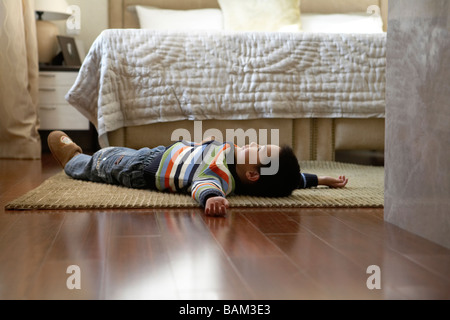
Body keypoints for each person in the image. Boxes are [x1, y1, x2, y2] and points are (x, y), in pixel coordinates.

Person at [48, 131, 348, 217]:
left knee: (104, 162)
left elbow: (203, 185)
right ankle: (86, 157)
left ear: (253, 174)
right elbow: (290, 179)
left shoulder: (220, 176)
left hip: (143, 170)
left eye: (258, 148)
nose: (253, 142)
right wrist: (321, 180)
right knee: (121, 151)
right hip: (161, 153)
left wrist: (212, 199)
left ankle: (75, 159)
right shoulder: (236, 161)